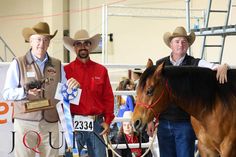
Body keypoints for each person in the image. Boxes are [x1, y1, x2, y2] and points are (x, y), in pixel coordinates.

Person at [147, 26, 229, 157]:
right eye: (177, 41)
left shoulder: (194, 63)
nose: (181, 44)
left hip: (184, 122)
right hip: (164, 121)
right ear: (171, 44)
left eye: (184, 41)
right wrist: (150, 120)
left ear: (188, 45)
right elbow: (150, 93)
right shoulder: (160, 64)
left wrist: (223, 66)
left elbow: (213, 67)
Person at [2, 22, 80, 157]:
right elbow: (6, 93)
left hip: (50, 122)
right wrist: (24, 92)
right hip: (25, 123)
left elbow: (66, 91)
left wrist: (73, 86)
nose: (41, 44)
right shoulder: (18, 63)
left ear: (49, 43)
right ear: (30, 41)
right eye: (38, 39)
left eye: (45, 40)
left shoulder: (57, 64)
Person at [63, 29, 114, 157]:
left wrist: (107, 120)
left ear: (90, 46)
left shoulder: (101, 70)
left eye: (86, 43)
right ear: (74, 47)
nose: (83, 47)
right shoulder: (65, 71)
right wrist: (67, 123)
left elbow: (108, 97)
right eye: (78, 44)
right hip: (74, 123)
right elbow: (62, 100)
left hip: (96, 123)